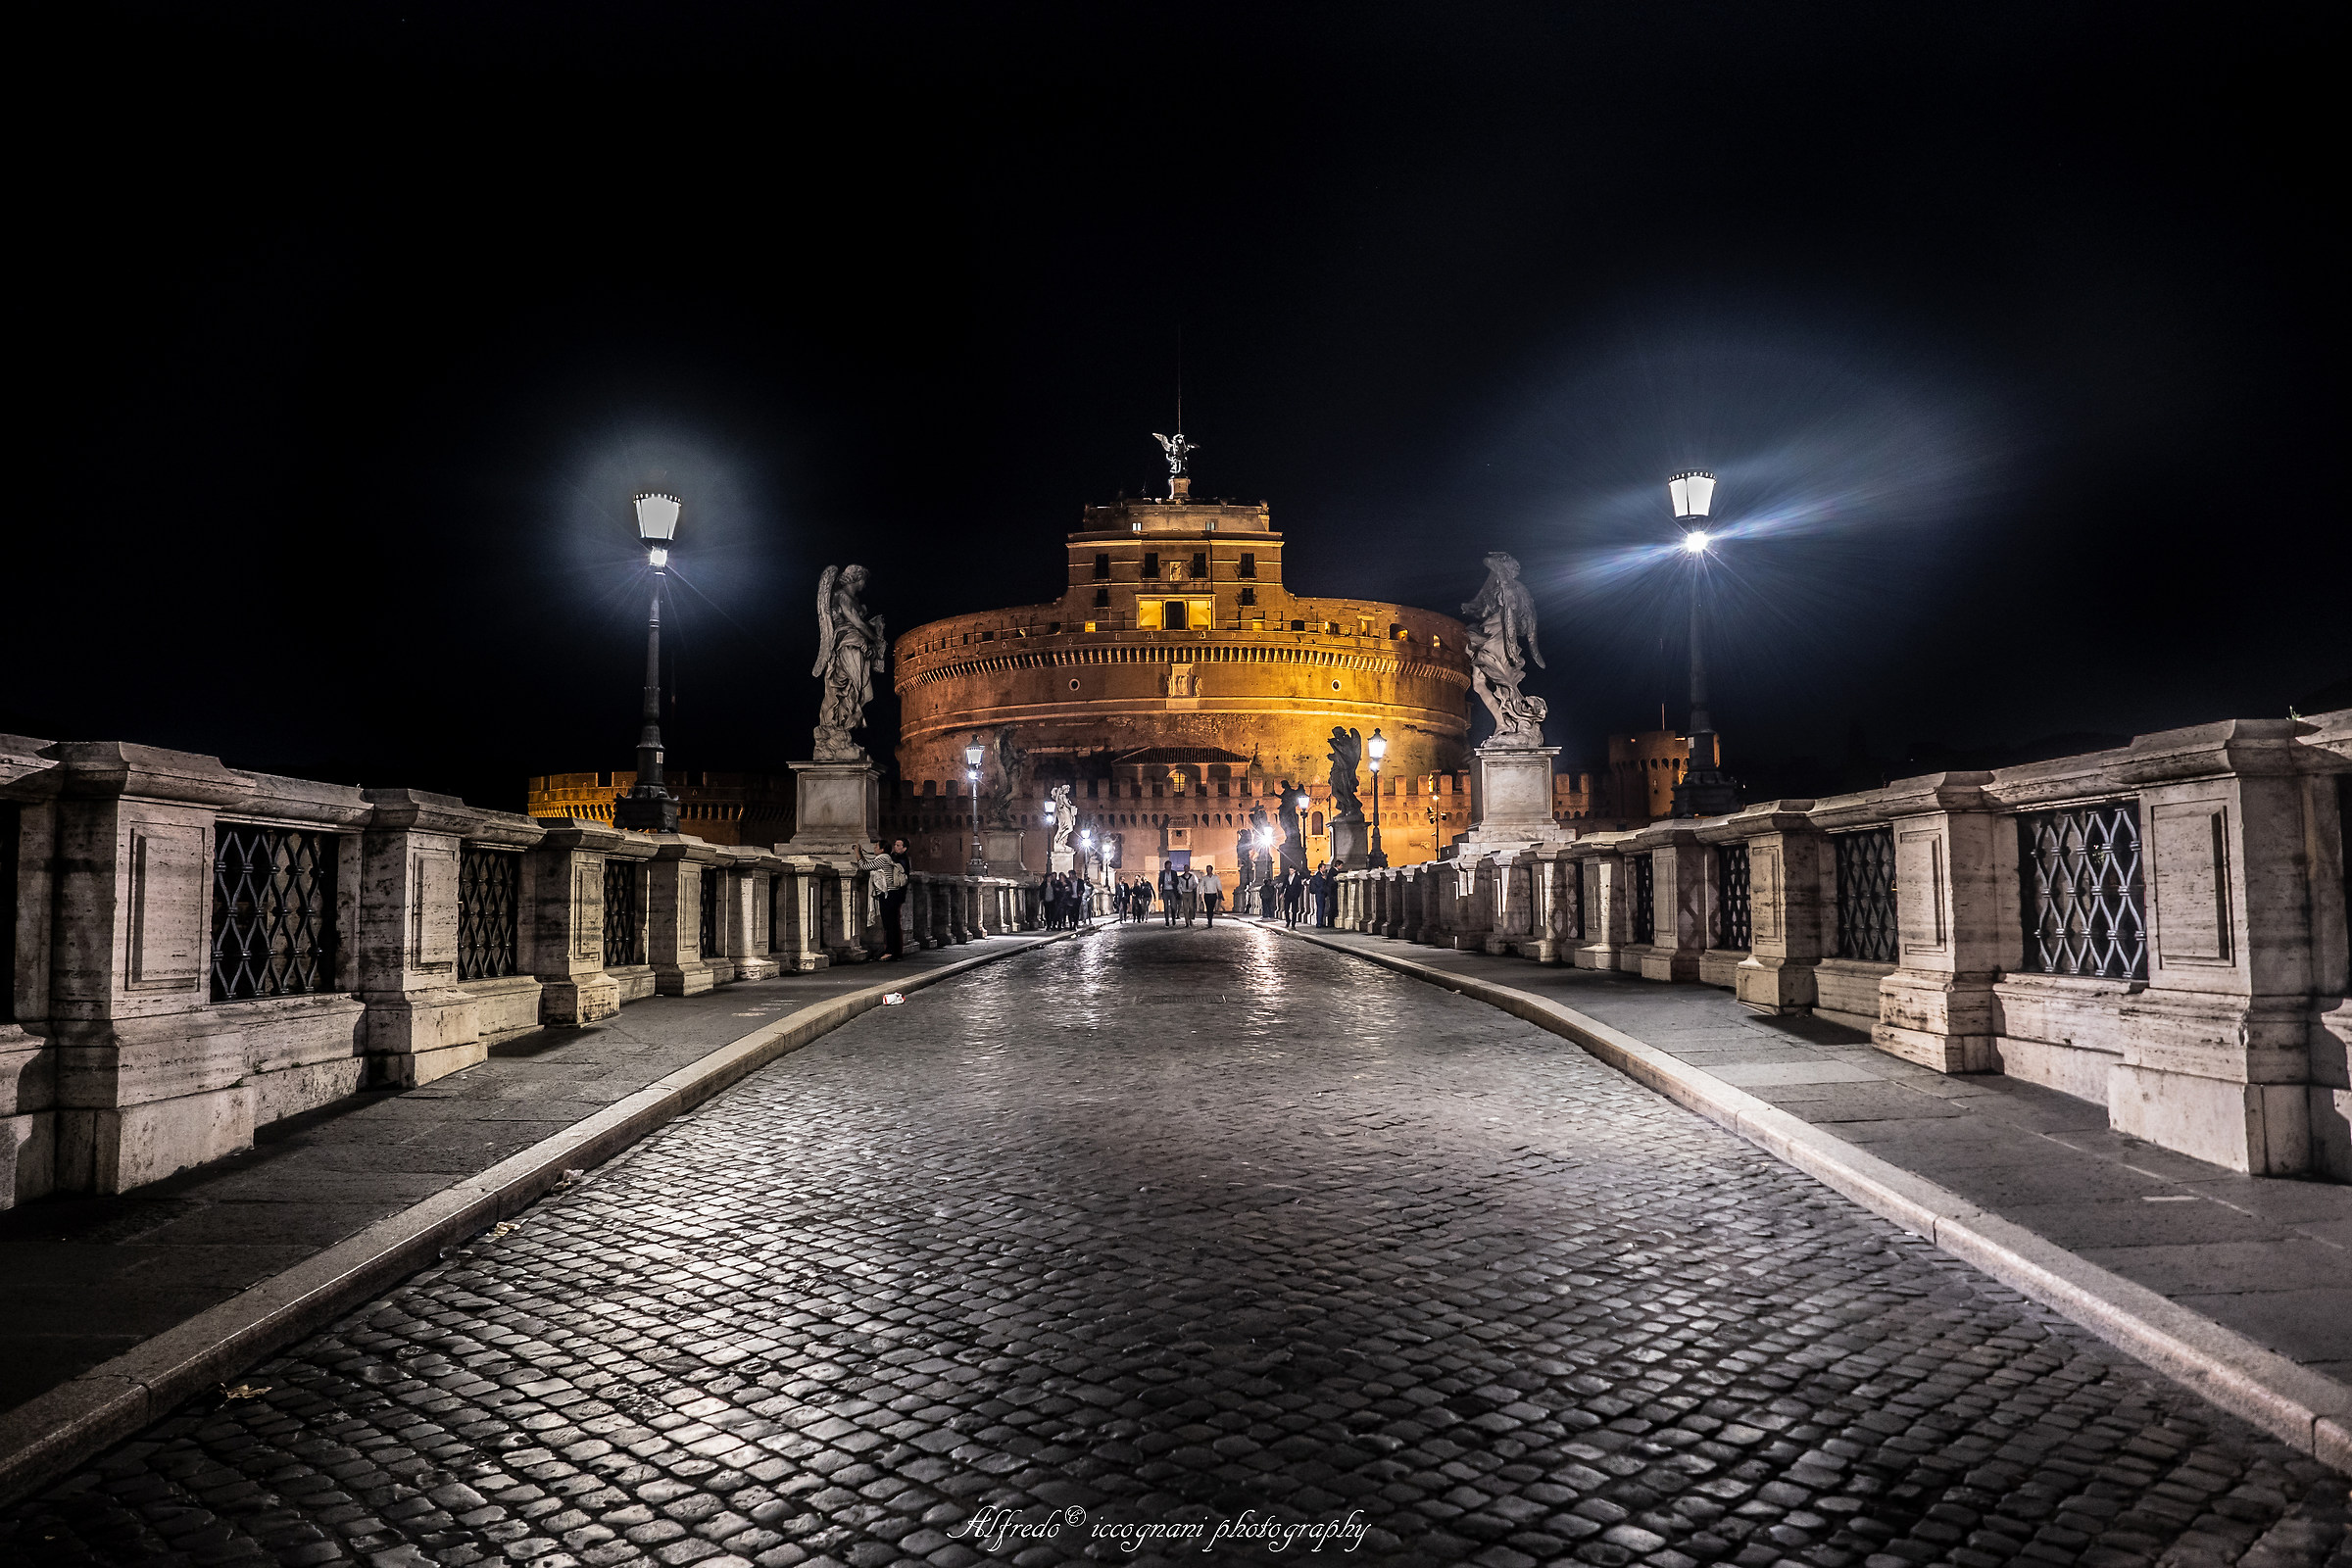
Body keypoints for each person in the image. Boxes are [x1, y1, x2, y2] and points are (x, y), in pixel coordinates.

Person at [1306, 865, 1331, 931]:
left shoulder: (1322, 875)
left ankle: (1321, 922)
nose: (1325, 869)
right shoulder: (1318, 876)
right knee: (1320, 908)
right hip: (1320, 894)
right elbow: (1320, 885)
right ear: (1320, 868)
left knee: (1322, 908)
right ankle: (1319, 923)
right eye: (1324, 868)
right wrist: (1324, 880)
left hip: (1322, 894)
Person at [1200, 862, 1222, 927]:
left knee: (1212, 908)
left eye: (1209, 869)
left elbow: (1219, 885)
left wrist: (1220, 891)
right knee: (1208, 908)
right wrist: (1200, 893)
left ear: (1211, 870)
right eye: (1207, 869)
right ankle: (1209, 921)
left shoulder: (1216, 877)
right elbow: (1201, 886)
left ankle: (1210, 920)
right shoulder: (1204, 878)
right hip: (1207, 894)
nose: (1208, 870)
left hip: (1213, 894)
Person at [1158, 863, 1179, 927]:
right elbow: (1159, 881)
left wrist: (1173, 882)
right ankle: (1167, 920)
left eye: (1170, 865)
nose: (1169, 866)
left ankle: (1173, 918)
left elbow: (1177, 881)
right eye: (1168, 865)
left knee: (1173, 906)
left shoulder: (1174, 873)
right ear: (1165, 866)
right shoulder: (1162, 873)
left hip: (1172, 890)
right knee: (1166, 907)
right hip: (1165, 891)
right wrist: (1159, 889)